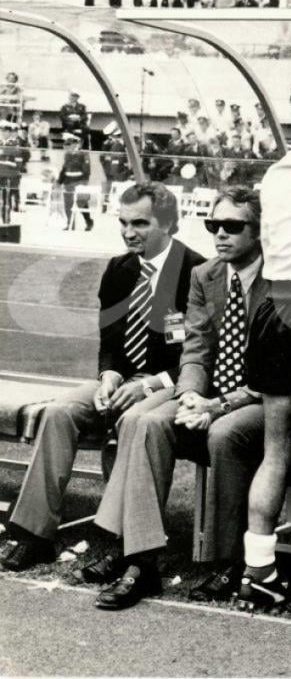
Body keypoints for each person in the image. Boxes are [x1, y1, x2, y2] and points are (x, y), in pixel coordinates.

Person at [1, 184, 204, 572]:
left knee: (132, 420)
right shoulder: (119, 269)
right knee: (58, 412)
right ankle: (33, 533)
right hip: (124, 380)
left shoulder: (196, 271)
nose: (129, 232)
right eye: (123, 223)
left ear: (169, 223)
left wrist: (150, 384)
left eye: (140, 223)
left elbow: (199, 355)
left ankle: (119, 541)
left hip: (171, 384)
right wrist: (109, 375)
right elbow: (110, 341)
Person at [82, 187, 267, 609]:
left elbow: (276, 368)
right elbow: (197, 348)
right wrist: (188, 396)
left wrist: (217, 405)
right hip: (204, 390)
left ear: (259, 231)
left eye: (232, 226)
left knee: (224, 435)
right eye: (214, 225)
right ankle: (140, 561)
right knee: (143, 422)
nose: (220, 234)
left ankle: (230, 559)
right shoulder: (209, 276)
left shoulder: (282, 276)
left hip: (260, 396)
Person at [58, 133, 94, 231]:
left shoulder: (83, 154)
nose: (69, 146)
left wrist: (83, 184)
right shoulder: (67, 154)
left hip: (80, 181)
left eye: (71, 143)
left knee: (81, 202)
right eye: (68, 144)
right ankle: (70, 224)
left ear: (77, 144)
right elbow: (64, 169)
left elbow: (86, 171)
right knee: (68, 203)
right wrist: (59, 182)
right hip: (68, 182)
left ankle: (88, 221)